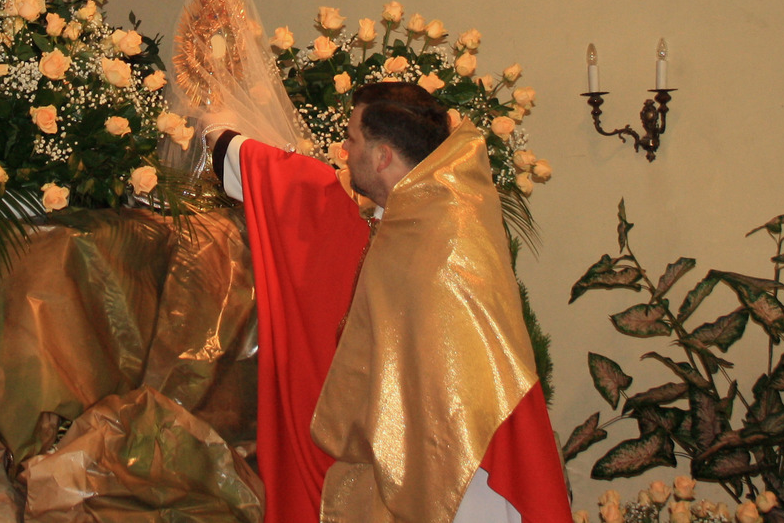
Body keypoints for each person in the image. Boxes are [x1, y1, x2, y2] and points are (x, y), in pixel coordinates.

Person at [209, 81, 570, 523]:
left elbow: (451, 390)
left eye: (351, 139)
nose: (344, 151)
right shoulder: (425, 208)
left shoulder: (438, 239)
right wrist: (223, 139)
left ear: (382, 157)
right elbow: (306, 195)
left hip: (467, 469)